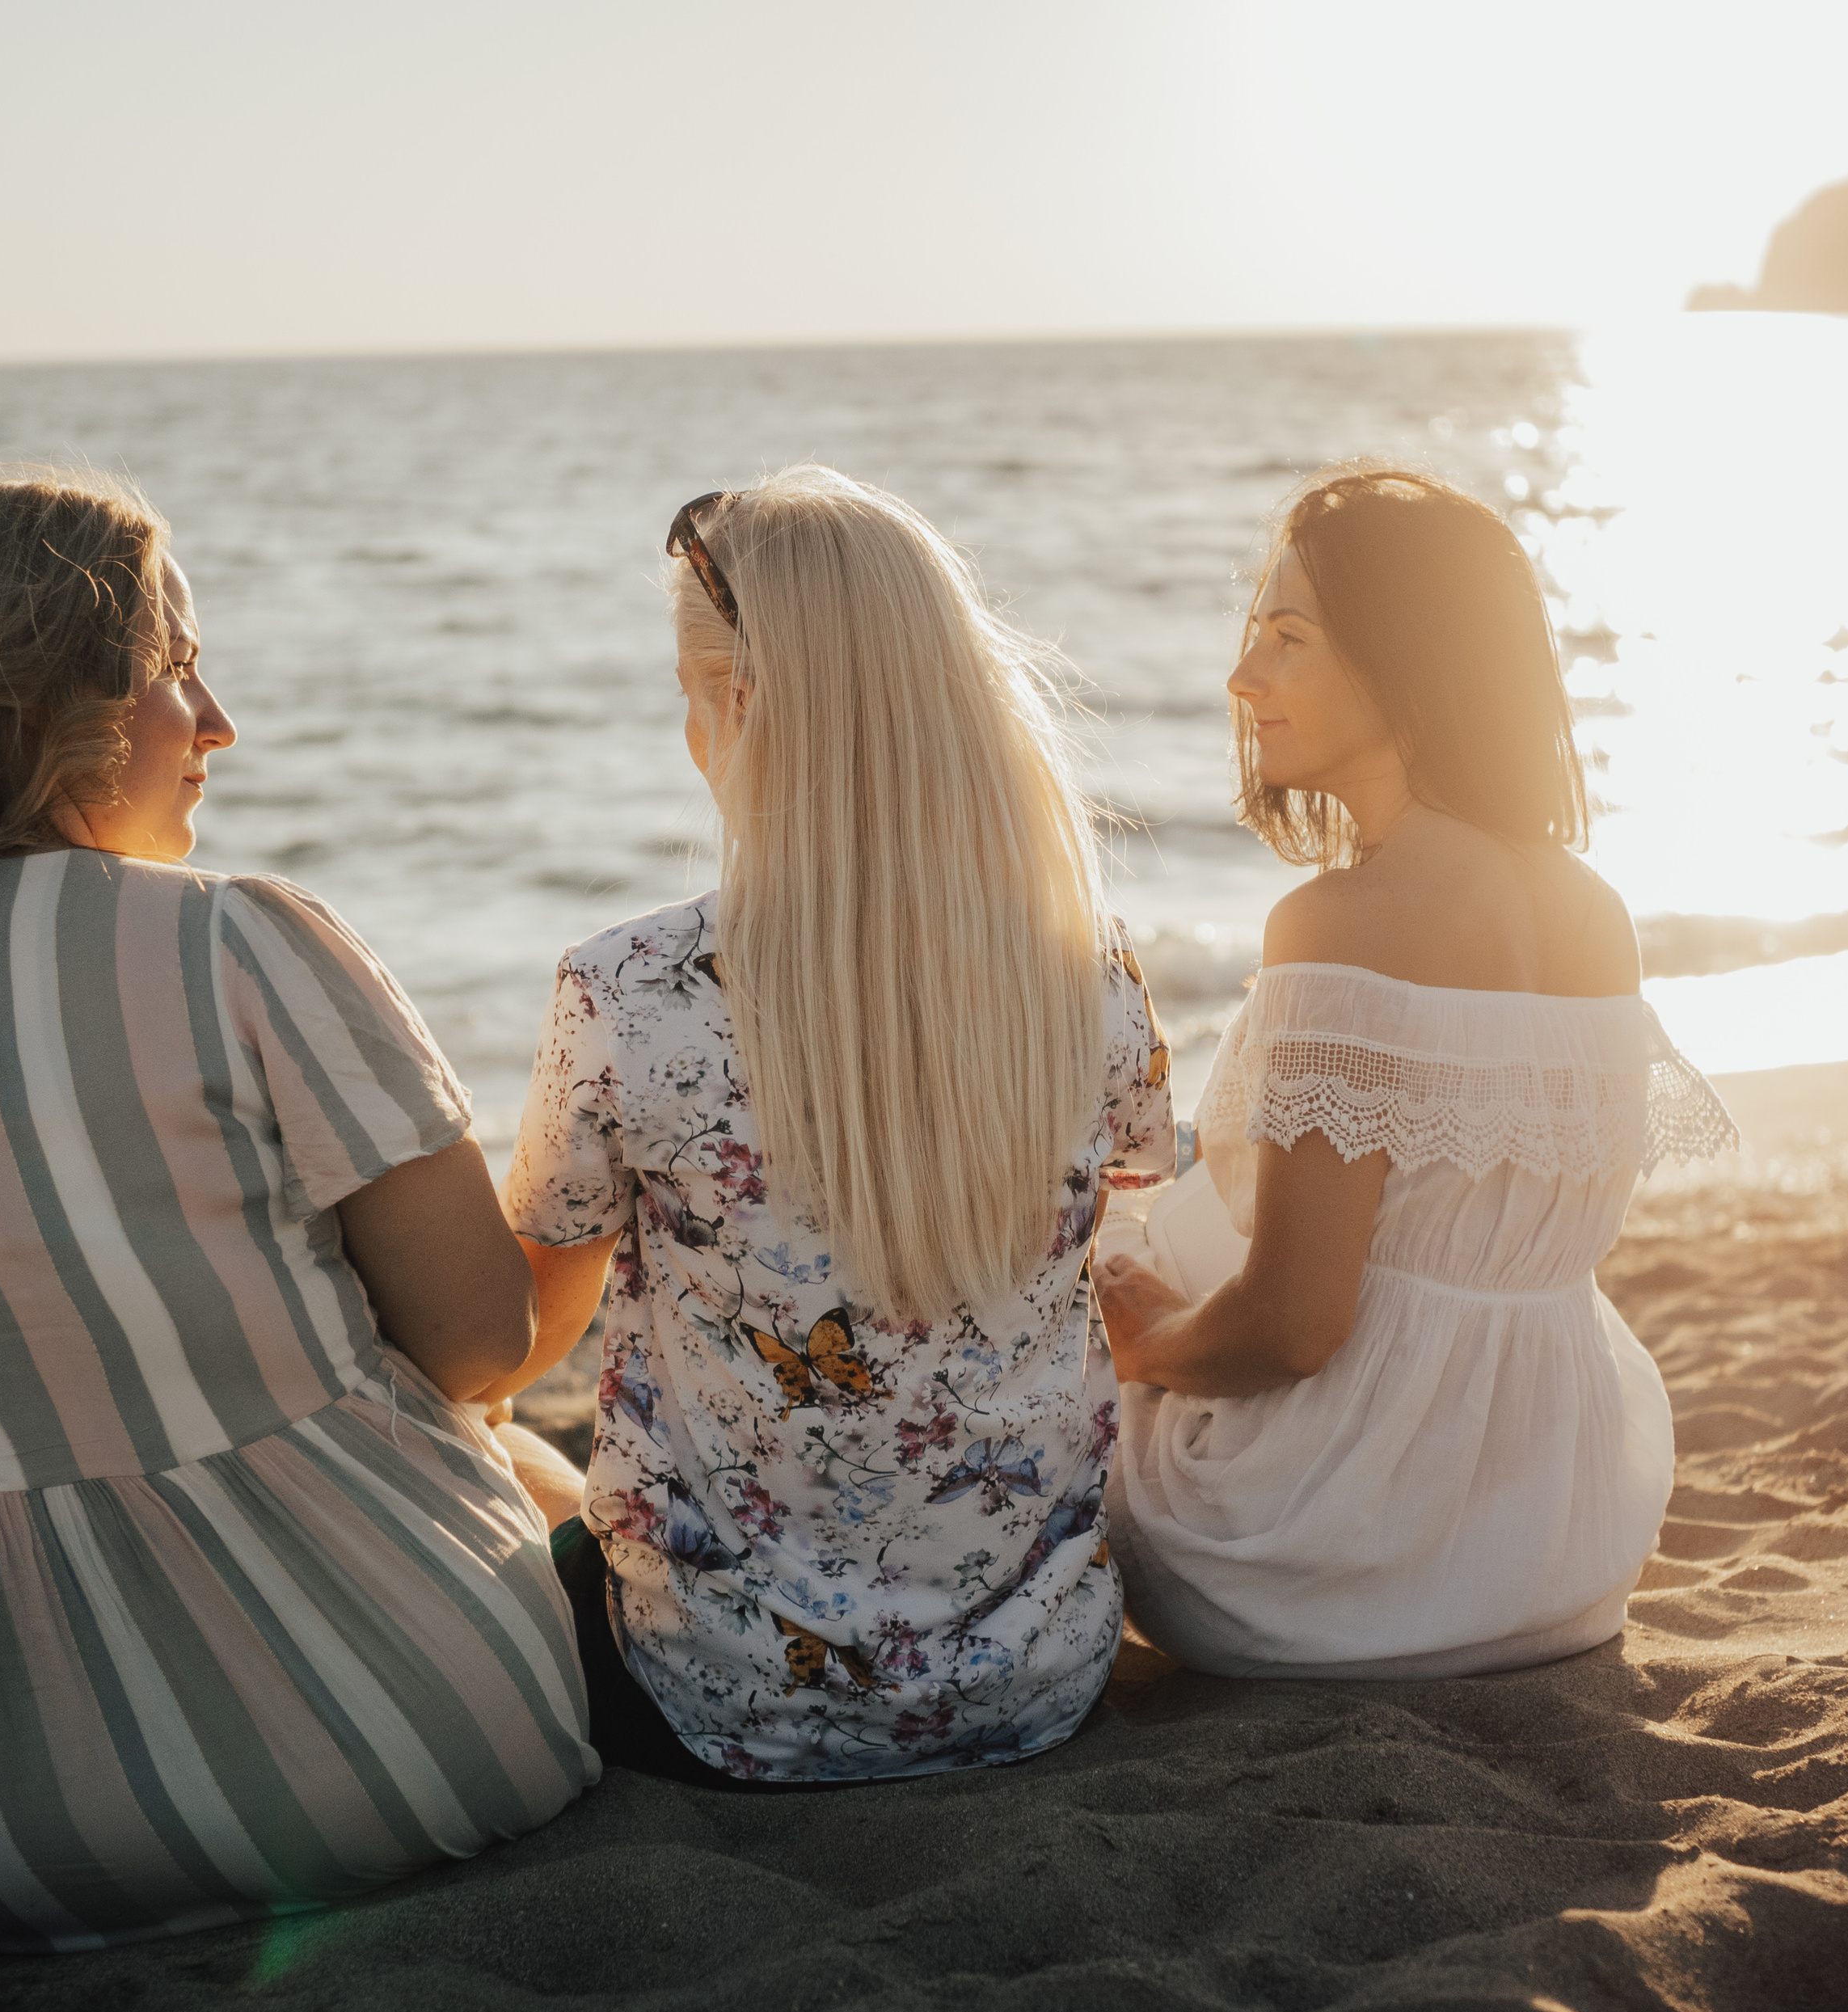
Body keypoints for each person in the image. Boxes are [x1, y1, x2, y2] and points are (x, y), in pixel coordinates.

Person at [0, 471, 594, 1952]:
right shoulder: (235, 943)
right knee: (544, 1476)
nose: (221, 722)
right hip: (389, 1740)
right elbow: (477, 1343)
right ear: (54, 702)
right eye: (179, 670)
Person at [501, 466, 1174, 1783]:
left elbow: (520, 1334)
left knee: (489, 1442)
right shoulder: (1087, 975)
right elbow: (1118, 1215)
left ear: (739, 707)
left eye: (688, 693)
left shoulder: (629, 993)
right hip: (1038, 1683)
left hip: (720, 1702)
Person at [1097, 466, 1737, 1680]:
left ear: (1407, 663)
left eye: (1288, 639)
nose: (1245, 680)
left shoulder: (1343, 923)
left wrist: (1144, 1344)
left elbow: (1293, 1327)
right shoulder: (1595, 911)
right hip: (1558, 1546)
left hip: (1343, 1559)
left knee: (1097, 1271)